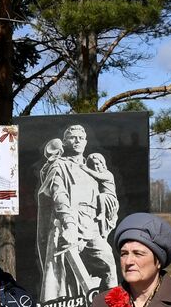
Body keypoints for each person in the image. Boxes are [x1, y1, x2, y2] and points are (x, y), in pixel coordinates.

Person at [39, 123, 117, 296]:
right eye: (72, 138)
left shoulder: (93, 167)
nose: (77, 141)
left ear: (86, 142)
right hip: (69, 225)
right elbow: (59, 194)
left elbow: (109, 194)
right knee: (67, 277)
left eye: (81, 138)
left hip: (92, 225)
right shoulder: (59, 165)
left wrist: (105, 202)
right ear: (65, 142)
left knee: (108, 262)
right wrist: (69, 225)